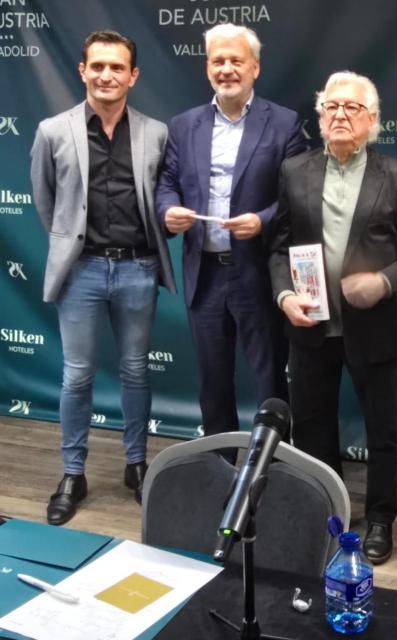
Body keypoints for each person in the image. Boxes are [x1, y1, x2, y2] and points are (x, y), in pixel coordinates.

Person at [268, 71, 397, 564]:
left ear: (372, 121)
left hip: (376, 328)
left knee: (382, 431)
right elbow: (278, 246)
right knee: (314, 426)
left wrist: (384, 282)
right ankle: (330, 512)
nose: (340, 115)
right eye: (331, 107)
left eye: (352, 108)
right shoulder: (294, 171)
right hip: (310, 324)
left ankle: (382, 519)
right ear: (320, 118)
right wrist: (284, 296)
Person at [30, 30, 176, 524]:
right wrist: (74, 246)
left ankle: (137, 466)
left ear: (133, 76)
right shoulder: (52, 130)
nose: (106, 75)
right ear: (82, 71)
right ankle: (73, 472)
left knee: (136, 370)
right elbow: (47, 204)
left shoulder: (156, 132)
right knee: (77, 376)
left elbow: (163, 197)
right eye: (98, 66)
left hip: (138, 267)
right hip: (83, 272)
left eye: (117, 68)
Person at [155, 24, 307, 449]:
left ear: (254, 68)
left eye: (235, 61)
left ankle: (272, 469)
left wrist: (261, 220)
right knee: (212, 381)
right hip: (204, 273)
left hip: (258, 272)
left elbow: (297, 196)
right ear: (207, 69)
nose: (226, 69)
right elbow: (166, 182)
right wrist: (167, 211)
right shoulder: (184, 126)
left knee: (270, 380)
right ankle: (219, 467)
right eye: (218, 61)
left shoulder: (284, 124)